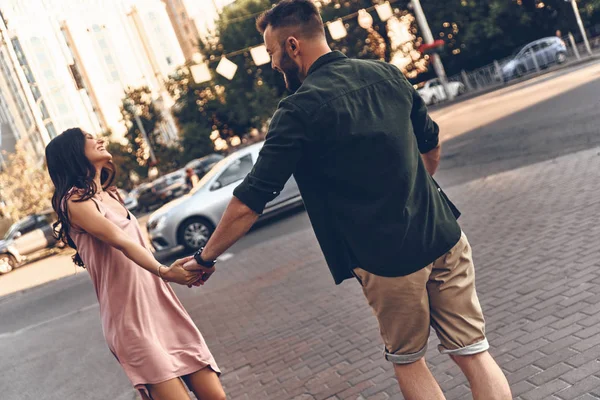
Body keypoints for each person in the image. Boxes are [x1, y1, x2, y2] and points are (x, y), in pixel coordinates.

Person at [184, 1, 512, 399]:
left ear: (292, 46)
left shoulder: (297, 111)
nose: (271, 64)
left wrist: (204, 259)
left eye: (271, 53)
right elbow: (431, 146)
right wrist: (411, 191)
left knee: (409, 360)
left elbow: (250, 201)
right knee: (475, 353)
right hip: (444, 236)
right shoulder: (387, 74)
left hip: (388, 260)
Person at [45, 128, 225, 400]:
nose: (99, 139)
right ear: (73, 152)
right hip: (130, 321)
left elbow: (139, 249)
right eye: (89, 138)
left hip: (161, 307)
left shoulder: (112, 196)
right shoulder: (73, 201)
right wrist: (165, 272)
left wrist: (179, 268)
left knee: (216, 397)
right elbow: (121, 241)